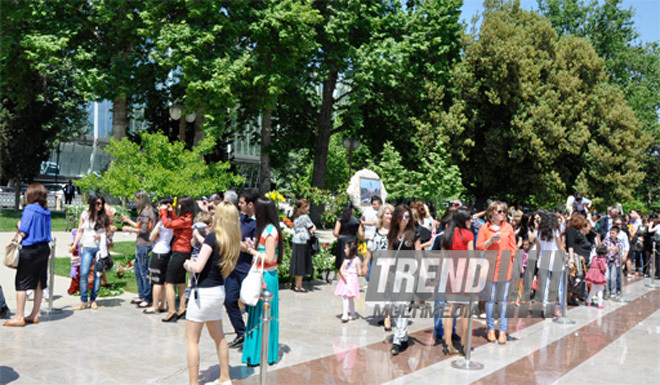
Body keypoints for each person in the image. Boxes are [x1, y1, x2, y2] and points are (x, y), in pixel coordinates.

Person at [182, 202, 240, 385]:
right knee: (219, 337)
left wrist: (188, 265)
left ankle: (193, 383)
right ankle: (225, 377)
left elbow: (198, 266)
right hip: (217, 291)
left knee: (192, 341)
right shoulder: (231, 239)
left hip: (203, 293)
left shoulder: (212, 237)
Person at [242, 197, 284, 366]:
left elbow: (269, 256)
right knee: (257, 315)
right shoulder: (265, 229)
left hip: (265, 275)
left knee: (263, 316)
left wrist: (251, 251)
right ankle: (257, 354)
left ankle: (261, 354)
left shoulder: (270, 231)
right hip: (261, 274)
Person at [4, 184, 51, 327]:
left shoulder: (29, 209)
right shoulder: (46, 211)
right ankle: (34, 314)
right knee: (39, 283)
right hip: (44, 248)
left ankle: (19, 317)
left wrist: (18, 225)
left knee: (22, 283)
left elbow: (23, 230)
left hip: (30, 249)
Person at [476, 201, 517, 344]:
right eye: (499, 211)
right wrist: (490, 241)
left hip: (505, 266)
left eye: (504, 212)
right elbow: (479, 246)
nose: (502, 214)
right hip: (490, 266)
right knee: (491, 300)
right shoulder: (484, 228)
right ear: (492, 212)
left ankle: (503, 331)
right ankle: (491, 329)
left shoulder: (508, 228)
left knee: (504, 301)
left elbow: (513, 248)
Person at [225, 188, 258, 349]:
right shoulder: (240, 219)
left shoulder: (257, 223)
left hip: (247, 268)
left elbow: (251, 246)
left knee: (250, 303)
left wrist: (239, 243)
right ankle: (241, 332)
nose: (239, 205)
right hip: (233, 266)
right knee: (229, 300)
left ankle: (254, 337)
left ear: (251, 204)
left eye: (242, 203)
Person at [438, 208, 474, 356]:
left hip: (450, 275)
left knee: (449, 310)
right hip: (465, 275)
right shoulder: (468, 235)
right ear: (463, 220)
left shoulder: (447, 235)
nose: (471, 221)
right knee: (465, 311)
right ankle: (465, 345)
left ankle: (448, 344)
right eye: (469, 219)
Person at [387, 204, 421, 356]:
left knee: (403, 305)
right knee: (396, 306)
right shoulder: (392, 234)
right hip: (395, 272)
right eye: (402, 216)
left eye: (408, 217)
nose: (405, 220)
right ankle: (404, 336)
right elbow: (389, 253)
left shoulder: (414, 234)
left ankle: (397, 340)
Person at [69, 195, 111, 311]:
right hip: (87, 247)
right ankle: (83, 300)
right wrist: (74, 245)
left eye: (101, 204)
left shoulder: (103, 217)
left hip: (99, 249)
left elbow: (109, 234)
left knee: (98, 275)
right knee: (84, 274)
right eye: (97, 203)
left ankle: (93, 299)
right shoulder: (84, 215)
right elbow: (79, 231)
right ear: (92, 204)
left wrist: (101, 236)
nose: (100, 206)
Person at [159, 196, 194, 323]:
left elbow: (168, 224)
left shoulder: (186, 219)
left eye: (179, 205)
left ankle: (172, 311)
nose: (178, 207)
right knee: (180, 282)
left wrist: (163, 212)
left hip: (179, 252)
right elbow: (176, 222)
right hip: (184, 252)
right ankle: (182, 308)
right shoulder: (188, 218)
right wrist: (171, 212)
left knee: (169, 282)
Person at [120, 190, 157, 309]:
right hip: (140, 244)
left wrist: (128, 229)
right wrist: (128, 221)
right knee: (137, 271)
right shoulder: (144, 212)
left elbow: (143, 230)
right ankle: (141, 295)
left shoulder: (146, 212)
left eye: (136, 198)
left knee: (143, 271)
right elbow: (139, 226)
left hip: (144, 245)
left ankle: (147, 298)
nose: (135, 201)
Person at [144, 198, 175, 315]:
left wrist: (154, 233)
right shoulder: (171, 220)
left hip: (158, 252)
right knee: (162, 280)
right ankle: (163, 304)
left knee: (156, 281)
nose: (157, 208)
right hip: (166, 251)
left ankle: (155, 306)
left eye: (159, 206)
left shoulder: (162, 221)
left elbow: (151, 237)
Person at [534, 210, 565, 316]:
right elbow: (560, 246)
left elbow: (538, 248)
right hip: (555, 258)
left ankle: (546, 308)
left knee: (545, 285)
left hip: (543, 258)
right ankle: (561, 308)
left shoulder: (537, 232)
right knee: (559, 285)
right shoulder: (555, 231)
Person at [290, 198, 316, 292]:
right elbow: (312, 228)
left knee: (297, 262)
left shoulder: (295, 216)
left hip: (296, 240)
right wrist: (314, 227)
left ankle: (297, 284)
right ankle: (299, 286)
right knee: (301, 263)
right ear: (303, 207)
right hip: (303, 240)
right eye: (307, 206)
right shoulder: (305, 217)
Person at [334, 242, 362, 322]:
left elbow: (359, 271)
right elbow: (341, 269)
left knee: (349, 298)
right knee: (345, 296)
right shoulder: (345, 260)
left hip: (352, 280)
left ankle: (351, 314)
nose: (344, 250)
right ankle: (346, 314)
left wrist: (361, 272)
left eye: (346, 248)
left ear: (351, 250)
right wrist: (343, 276)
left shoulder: (356, 260)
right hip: (345, 280)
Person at [333, 203, 363, 271]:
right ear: (352, 210)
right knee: (352, 260)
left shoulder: (340, 219)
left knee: (341, 262)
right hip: (353, 240)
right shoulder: (357, 220)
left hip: (342, 241)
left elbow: (336, 233)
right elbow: (361, 234)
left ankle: (341, 279)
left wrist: (339, 236)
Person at [602, 226, 624, 299]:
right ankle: (607, 291)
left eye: (613, 233)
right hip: (607, 260)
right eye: (611, 233)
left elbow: (620, 249)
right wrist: (609, 249)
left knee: (613, 277)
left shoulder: (619, 241)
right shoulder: (606, 240)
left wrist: (616, 249)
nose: (612, 234)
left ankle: (613, 292)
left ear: (617, 234)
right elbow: (602, 249)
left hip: (615, 261)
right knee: (607, 277)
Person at [585, 244, 608, 309]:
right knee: (600, 290)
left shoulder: (594, 258)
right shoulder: (602, 260)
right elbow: (603, 269)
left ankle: (588, 301)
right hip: (599, 276)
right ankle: (600, 303)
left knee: (592, 289)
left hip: (592, 274)